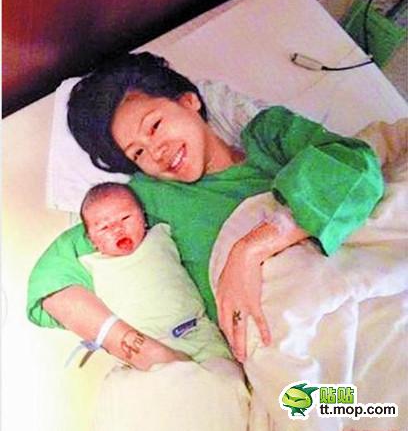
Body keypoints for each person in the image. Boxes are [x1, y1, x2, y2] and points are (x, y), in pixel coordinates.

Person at [27, 52, 385, 429]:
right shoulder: (145, 202)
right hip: (285, 351)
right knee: (362, 406)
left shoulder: (267, 136)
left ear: (189, 101)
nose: (156, 152)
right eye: (138, 153)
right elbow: (50, 280)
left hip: (357, 292)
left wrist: (249, 251)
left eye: (155, 126)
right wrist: (140, 350)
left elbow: (355, 164)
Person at [77, 181, 233, 365]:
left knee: (225, 373)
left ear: (143, 218)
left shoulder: (160, 235)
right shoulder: (94, 264)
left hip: (195, 331)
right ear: (92, 241)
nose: (118, 229)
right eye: (104, 228)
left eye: (125, 218)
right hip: (143, 350)